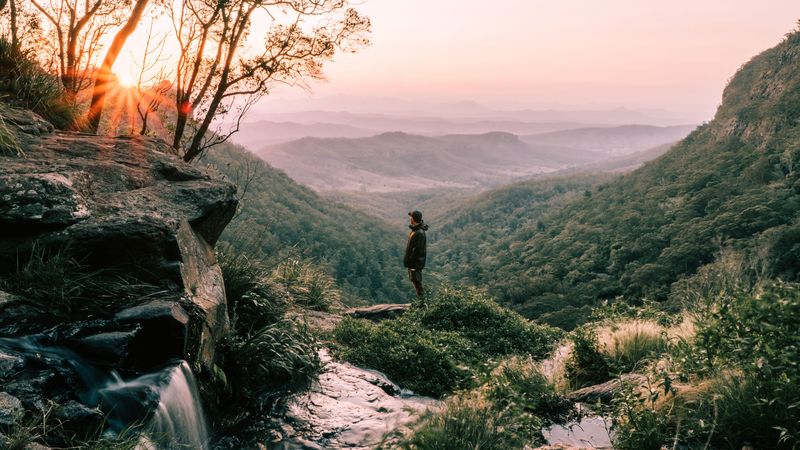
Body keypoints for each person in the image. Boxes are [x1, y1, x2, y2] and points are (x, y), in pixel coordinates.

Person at [404, 210, 428, 298]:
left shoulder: (419, 233)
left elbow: (418, 250)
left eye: (411, 217)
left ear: (413, 219)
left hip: (415, 263)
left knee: (417, 282)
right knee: (415, 282)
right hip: (414, 263)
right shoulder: (416, 231)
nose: (410, 218)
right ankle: (421, 303)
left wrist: (411, 261)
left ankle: (422, 304)